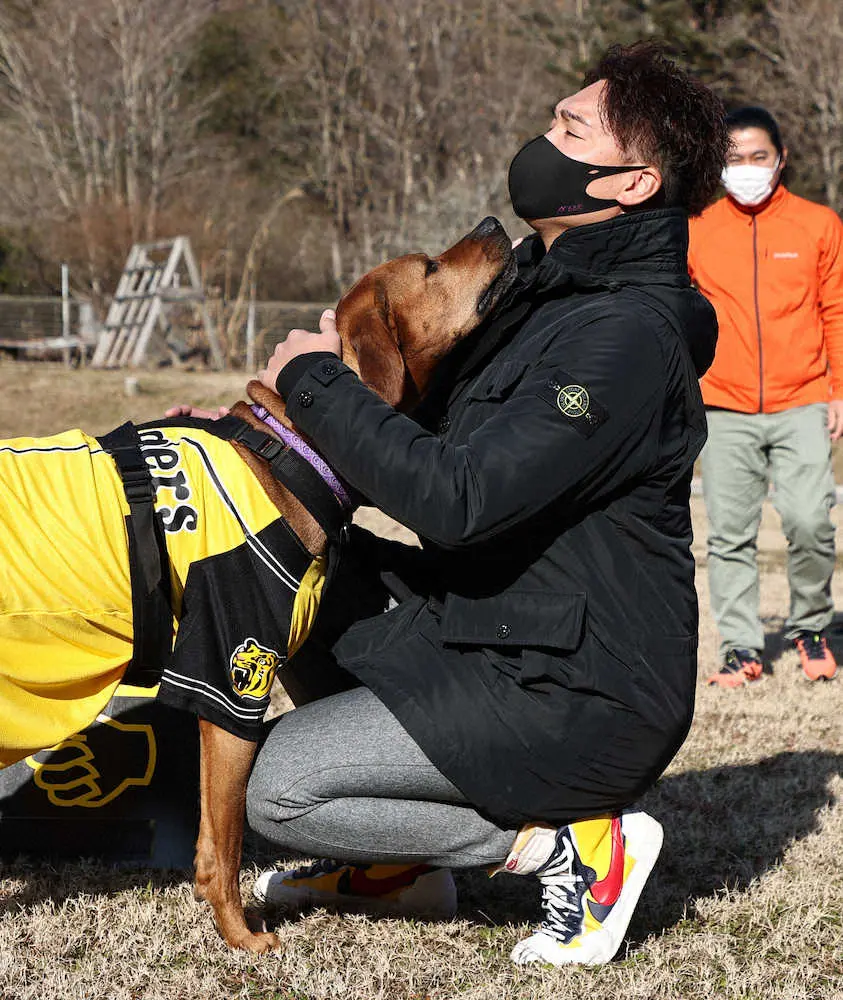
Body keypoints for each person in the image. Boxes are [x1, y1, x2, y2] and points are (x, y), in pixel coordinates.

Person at [241, 42, 728, 967]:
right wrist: (256, 420)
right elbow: (405, 420)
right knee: (287, 566)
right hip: (493, 624)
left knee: (281, 789)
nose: (540, 139)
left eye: (568, 128)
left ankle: (571, 849)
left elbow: (459, 498)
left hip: (580, 686)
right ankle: (400, 867)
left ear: (631, 183)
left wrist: (308, 381)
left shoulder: (623, 337)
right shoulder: (546, 291)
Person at [688, 107, 843, 688]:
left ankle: (810, 626)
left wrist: (839, 391)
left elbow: (837, 310)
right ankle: (741, 648)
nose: (746, 168)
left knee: (809, 522)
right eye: (733, 159)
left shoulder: (819, 224)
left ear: (781, 160)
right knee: (729, 534)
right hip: (723, 405)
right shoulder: (696, 226)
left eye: (758, 157)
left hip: (802, 397)